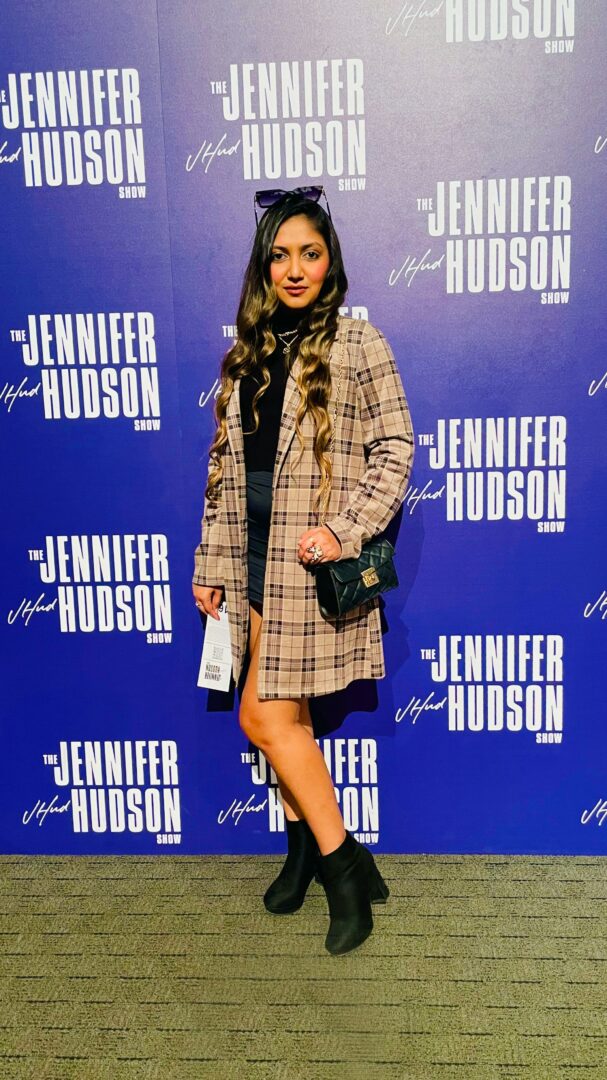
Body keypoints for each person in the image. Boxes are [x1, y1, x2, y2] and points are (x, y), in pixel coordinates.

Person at [192, 188, 414, 955]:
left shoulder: (359, 343)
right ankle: (305, 856)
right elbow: (223, 473)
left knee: (263, 719)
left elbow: (396, 450)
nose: (294, 269)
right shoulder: (245, 353)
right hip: (248, 560)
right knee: (284, 720)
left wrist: (344, 530)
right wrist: (211, 563)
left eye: (309, 254)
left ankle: (343, 867)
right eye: (280, 255)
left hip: (304, 567)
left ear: (329, 262)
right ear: (264, 266)